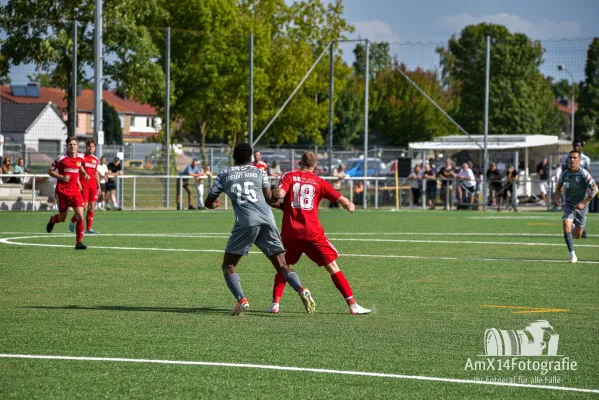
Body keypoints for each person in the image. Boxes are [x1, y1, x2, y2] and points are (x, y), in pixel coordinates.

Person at [204, 143, 316, 316]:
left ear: (233, 157)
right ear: (250, 157)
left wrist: (213, 204)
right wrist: (283, 207)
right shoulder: (260, 172)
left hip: (246, 223)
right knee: (281, 265)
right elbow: (270, 199)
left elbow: (208, 200)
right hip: (267, 220)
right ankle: (301, 289)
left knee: (229, 264)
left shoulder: (224, 175)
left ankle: (241, 299)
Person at [268, 151, 370, 315]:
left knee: (283, 266)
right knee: (332, 267)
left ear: (300, 162)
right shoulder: (319, 181)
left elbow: (280, 194)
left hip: (291, 232)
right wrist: (350, 205)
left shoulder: (289, 176)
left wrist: (272, 193)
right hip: (312, 232)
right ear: (315, 166)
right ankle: (353, 305)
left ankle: (275, 305)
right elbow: (343, 201)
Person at [46, 136, 90, 250]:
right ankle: (53, 220)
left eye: (74, 144)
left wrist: (84, 174)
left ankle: (79, 242)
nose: (72, 147)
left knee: (80, 215)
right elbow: (50, 171)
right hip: (62, 191)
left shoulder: (81, 157)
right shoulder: (60, 158)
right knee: (62, 218)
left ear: (77, 146)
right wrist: (61, 177)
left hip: (75, 190)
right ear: (66, 146)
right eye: (70, 145)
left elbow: (79, 167)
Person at [554, 151, 598, 263]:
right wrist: (557, 198)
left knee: (578, 235)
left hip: (582, 207)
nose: (572, 160)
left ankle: (574, 228)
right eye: (570, 158)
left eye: (575, 158)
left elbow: (595, 189)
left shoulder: (584, 173)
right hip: (568, 204)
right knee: (566, 226)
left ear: (579, 160)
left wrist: (584, 203)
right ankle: (572, 255)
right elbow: (558, 188)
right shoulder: (564, 174)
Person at [68, 139, 101, 234]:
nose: (91, 148)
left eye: (92, 146)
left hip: (93, 185)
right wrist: (78, 183)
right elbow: (77, 168)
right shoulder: (81, 157)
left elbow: (95, 173)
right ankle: (73, 220)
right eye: (89, 146)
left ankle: (89, 228)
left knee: (92, 207)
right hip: (83, 185)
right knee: (84, 207)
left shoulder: (95, 159)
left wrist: (99, 186)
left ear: (95, 148)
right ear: (86, 147)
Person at [560, 140, 592, 238]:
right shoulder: (567, 157)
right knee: (569, 203)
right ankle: (571, 224)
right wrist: (562, 184)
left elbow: (588, 172)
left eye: (578, 146)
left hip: (582, 186)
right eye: (575, 145)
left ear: (581, 147)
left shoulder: (586, 159)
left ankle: (580, 227)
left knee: (582, 207)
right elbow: (564, 170)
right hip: (569, 184)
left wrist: (589, 186)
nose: (576, 147)